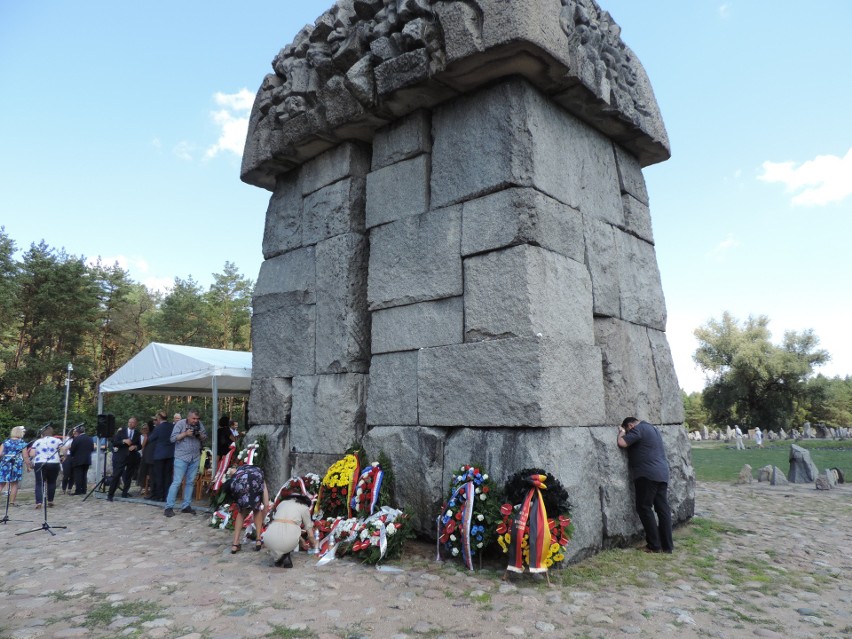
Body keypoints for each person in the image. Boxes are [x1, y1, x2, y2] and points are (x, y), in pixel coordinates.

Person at [617, 417, 673, 554]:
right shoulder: (653, 429)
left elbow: (622, 443)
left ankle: (654, 545)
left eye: (628, 429)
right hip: (662, 473)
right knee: (662, 509)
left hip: (647, 475)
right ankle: (667, 546)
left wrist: (621, 432)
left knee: (644, 507)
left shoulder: (638, 428)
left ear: (630, 425)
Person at [163, 408, 207, 517]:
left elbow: (205, 437)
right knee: (177, 482)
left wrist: (200, 435)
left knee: (190, 482)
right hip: (181, 457)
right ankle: (169, 507)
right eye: (193, 418)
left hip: (195, 457)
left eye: (197, 418)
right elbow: (172, 439)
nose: (196, 420)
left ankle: (186, 506)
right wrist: (185, 433)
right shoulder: (180, 424)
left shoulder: (199, 424)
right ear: (188, 417)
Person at [263, 493, 318, 567]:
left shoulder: (282, 504)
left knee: (286, 530)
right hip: (288, 539)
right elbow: (310, 533)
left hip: (268, 538)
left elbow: (284, 525)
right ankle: (284, 555)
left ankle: (279, 557)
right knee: (290, 532)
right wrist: (314, 545)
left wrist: (302, 541)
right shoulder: (304, 507)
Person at [227, 464, 270, 554]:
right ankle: (258, 540)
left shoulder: (239, 471)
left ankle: (235, 544)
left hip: (238, 482)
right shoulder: (259, 475)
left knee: (241, 511)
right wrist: (263, 520)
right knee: (256, 509)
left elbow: (232, 474)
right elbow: (266, 504)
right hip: (252, 481)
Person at [28, 425, 63, 509]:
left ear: (42, 433)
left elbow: (32, 454)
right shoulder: (57, 440)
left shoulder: (37, 441)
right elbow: (63, 449)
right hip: (54, 462)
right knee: (52, 482)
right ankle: (50, 500)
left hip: (40, 462)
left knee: (39, 483)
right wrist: (62, 456)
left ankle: (39, 502)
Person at [108, 417, 142, 501]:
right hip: (121, 456)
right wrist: (123, 441)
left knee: (128, 476)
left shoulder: (137, 434)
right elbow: (115, 442)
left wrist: (135, 447)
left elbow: (140, 445)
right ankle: (110, 494)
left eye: (132, 422)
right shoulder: (121, 431)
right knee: (117, 474)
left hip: (131, 457)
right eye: (129, 422)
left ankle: (125, 493)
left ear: (135, 424)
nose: (130, 424)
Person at [148, 412, 175, 502]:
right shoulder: (172, 426)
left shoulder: (158, 428)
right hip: (170, 454)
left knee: (159, 476)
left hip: (159, 455)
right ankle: (167, 495)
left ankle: (159, 495)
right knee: (168, 476)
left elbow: (150, 439)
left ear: (159, 418)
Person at [0, 426, 28, 507]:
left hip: (5, 463)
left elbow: (0, 453)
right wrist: (28, 466)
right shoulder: (22, 443)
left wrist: (5, 456)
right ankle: (12, 502)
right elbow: (25, 456)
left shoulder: (6, 442)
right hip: (16, 464)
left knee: (1, 484)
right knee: (14, 484)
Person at [67, 425, 94, 495]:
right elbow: (92, 448)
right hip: (87, 459)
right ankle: (84, 490)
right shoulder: (90, 438)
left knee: (78, 476)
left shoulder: (76, 439)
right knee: (84, 475)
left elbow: (72, 449)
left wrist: (72, 455)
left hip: (78, 459)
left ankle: (78, 490)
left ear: (78, 432)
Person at [136, 421, 156, 497]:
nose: (145, 429)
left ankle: (150, 487)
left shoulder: (150, 435)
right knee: (142, 471)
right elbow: (141, 446)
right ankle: (143, 486)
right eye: (143, 428)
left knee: (149, 471)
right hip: (142, 455)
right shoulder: (141, 436)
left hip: (149, 456)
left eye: (146, 428)